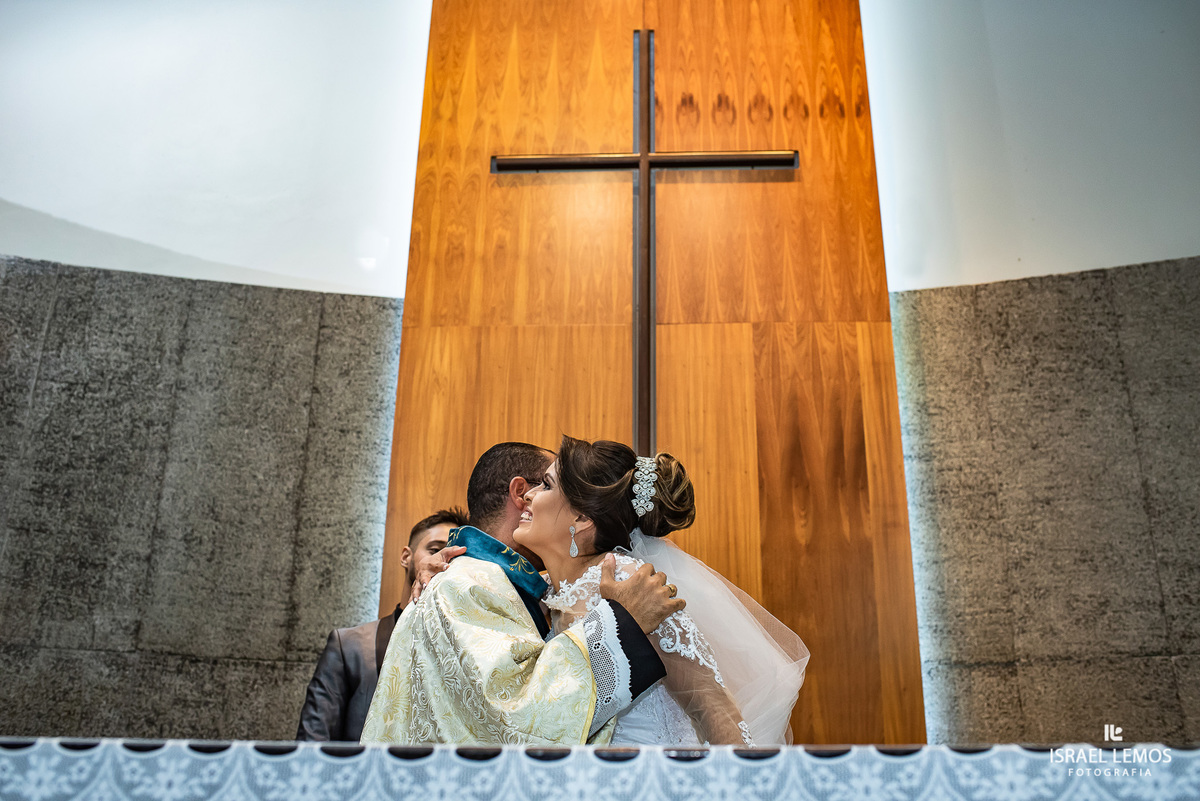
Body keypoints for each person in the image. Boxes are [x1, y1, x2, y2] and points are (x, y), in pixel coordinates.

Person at [361, 442, 684, 745]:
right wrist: (623, 625)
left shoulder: (536, 588)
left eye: (548, 486)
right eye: (544, 483)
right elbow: (515, 716)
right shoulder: (466, 584)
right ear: (520, 493)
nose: (536, 498)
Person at [513, 435, 809, 745]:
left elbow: (711, 706)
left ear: (583, 518)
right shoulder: (545, 591)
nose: (529, 496)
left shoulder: (635, 583)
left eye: (545, 485)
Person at [296, 508, 468, 741]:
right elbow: (313, 745)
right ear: (406, 557)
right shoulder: (349, 646)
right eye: (436, 550)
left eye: (455, 558)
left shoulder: (467, 647)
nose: (442, 562)